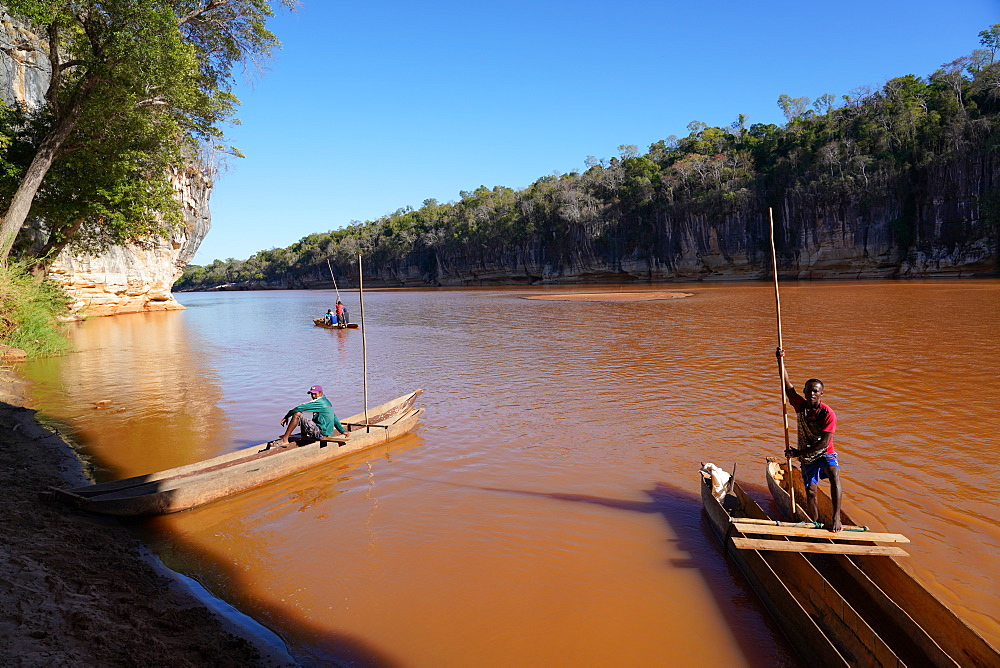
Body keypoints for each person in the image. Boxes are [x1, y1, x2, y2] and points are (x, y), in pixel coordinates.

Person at [775, 347, 842, 532]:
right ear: (804, 392)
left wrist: (796, 453)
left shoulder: (828, 414)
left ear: (822, 394)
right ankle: (814, 523)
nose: (812, 394)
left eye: (816, 391)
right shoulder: (800, 406)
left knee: (834, 473)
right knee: (811, 492)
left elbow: (823, 443)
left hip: (824, 453)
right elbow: (787, 386)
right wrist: (780, 362)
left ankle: (836, 517)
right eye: (809, 391)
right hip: (807, 457)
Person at [269, 385, 349, 448]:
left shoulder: (319, 402)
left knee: (297, 414)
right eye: (312, 394)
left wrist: (287, 416)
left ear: (321, 393)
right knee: (301, 416)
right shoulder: (327, 402)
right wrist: (343, 431)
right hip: (323, 433)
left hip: (320, 433)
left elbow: (298, 408)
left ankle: (285, 440)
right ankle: (303, 436)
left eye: (315, 394)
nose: (313, 396)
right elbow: (334, 418)